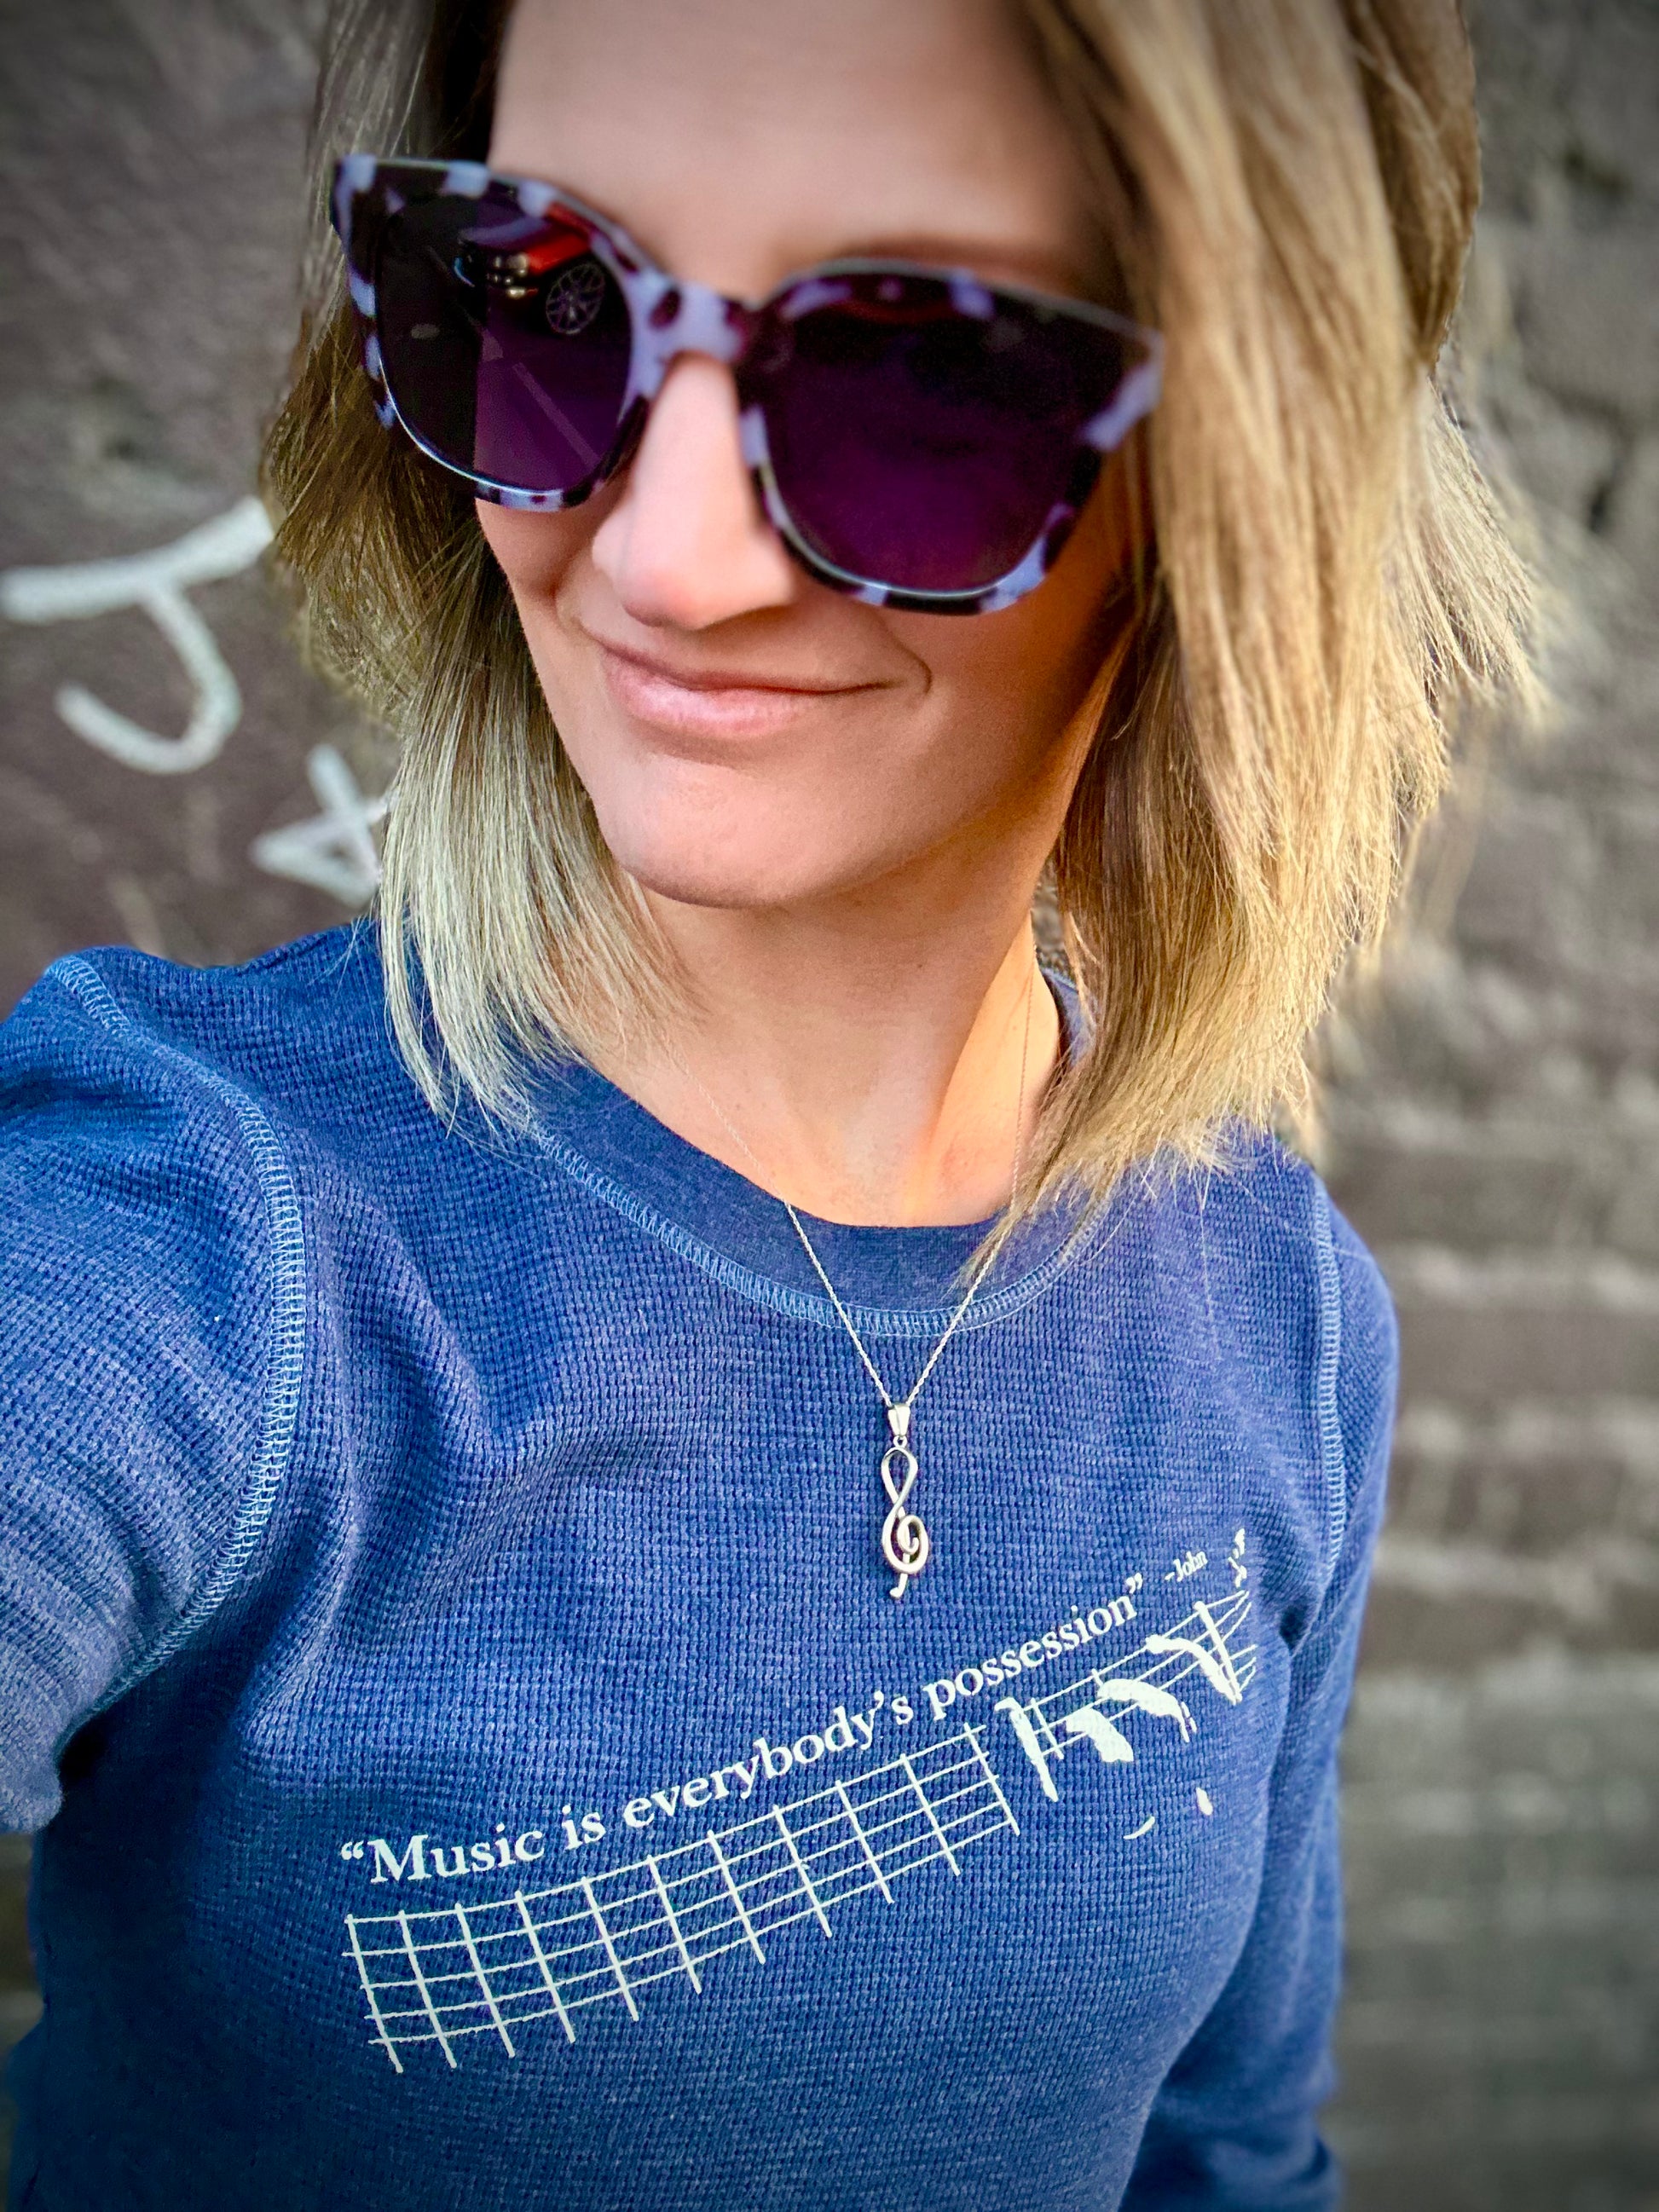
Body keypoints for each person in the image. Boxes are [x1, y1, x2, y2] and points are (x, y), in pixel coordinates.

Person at [0, 1, 1536, 2205]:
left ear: (1245, 473)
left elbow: (1224, 2154)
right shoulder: (186, 1248)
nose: (666, 559)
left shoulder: (1277, 1306)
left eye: (918, 373)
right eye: (540, 297)